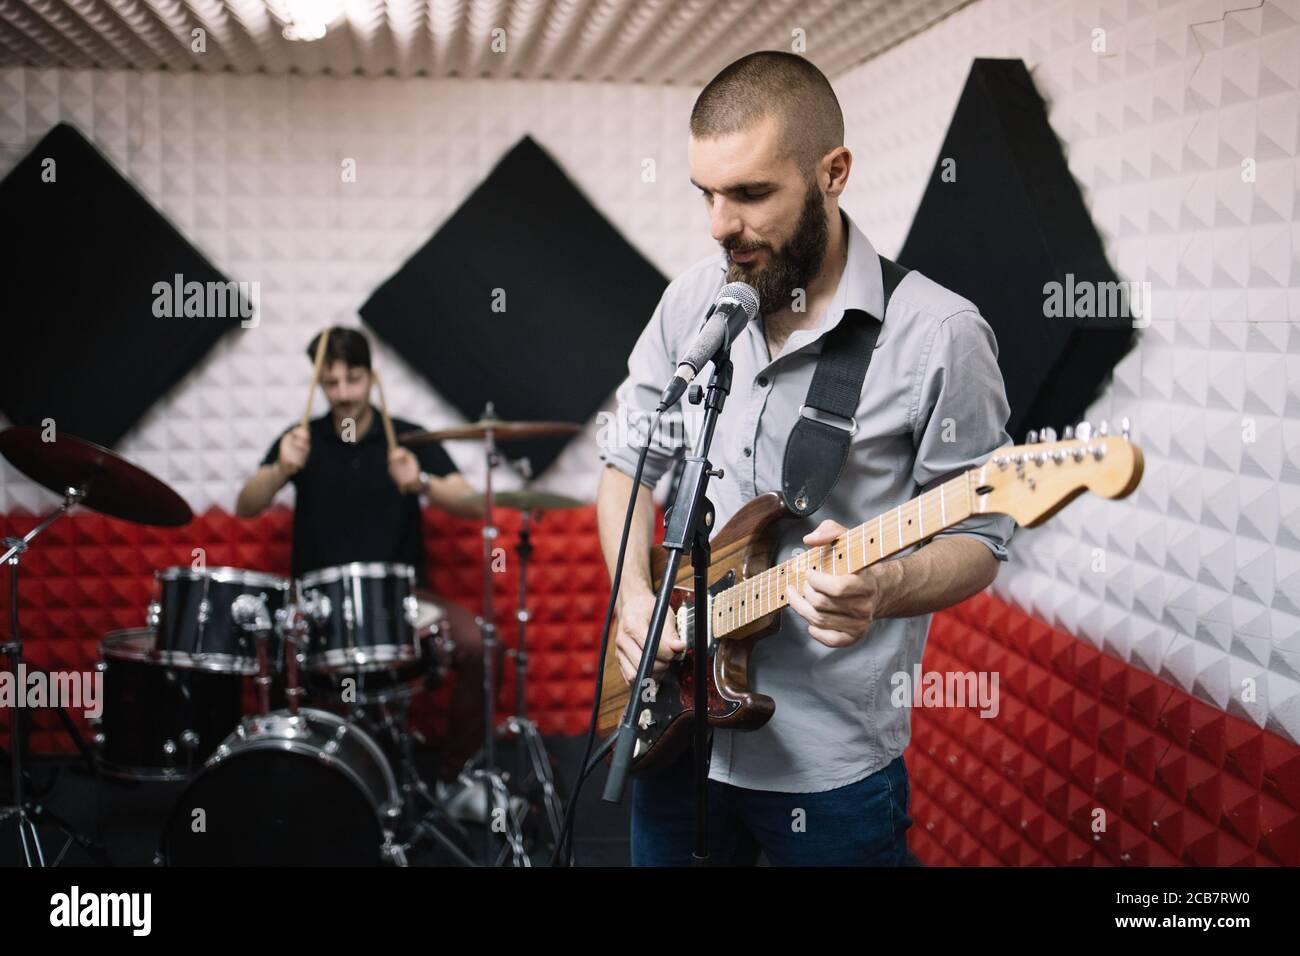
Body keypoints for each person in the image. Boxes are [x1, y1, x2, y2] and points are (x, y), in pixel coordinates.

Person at [597, 52, 1015, 866]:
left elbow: (983, 536)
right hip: (672, 736)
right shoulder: (691, 300)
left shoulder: (938, 333)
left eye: (751, 194)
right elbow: (626, 463)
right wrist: (634, 601)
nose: (721, 224)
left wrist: (882, 587)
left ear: (834, 173)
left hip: (826, 773)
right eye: (707, 195)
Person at [236, 326, 487, 783]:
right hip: (318, 607)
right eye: (331, 383)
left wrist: (422, 483)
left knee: (479, 647)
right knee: (267, 655)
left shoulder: (405, 439)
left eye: (353, 379)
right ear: (319, 384)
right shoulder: (301, 440)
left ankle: (454, 777)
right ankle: (283, 775)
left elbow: (473, 504)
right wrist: (279, 469)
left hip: (403, 600)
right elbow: (246, 505)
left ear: (372, 377)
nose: (344, 393)